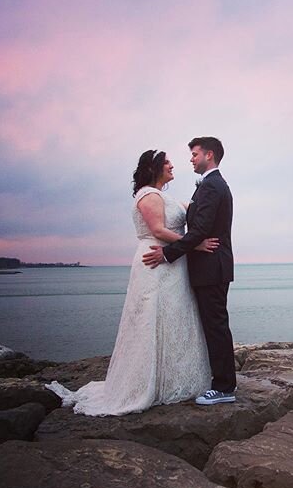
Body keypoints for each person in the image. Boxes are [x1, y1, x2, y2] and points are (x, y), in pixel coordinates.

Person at [45, 150, 215, 416]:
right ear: (154, 168)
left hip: (173, 263)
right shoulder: (149, 195)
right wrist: (195, 245)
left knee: (174, 317)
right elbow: (158, 231)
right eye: (167, 162)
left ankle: (172, 378)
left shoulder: (164, 196)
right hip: (155, 260)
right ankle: (145, 384)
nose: (172, 165)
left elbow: (191, 211)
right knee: (151, 317)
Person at [143, 137, 237, 406]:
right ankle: (220, 382)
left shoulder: (212, 185)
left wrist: (167, 253)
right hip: (210, 266)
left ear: (209, 154)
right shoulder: (210, 185)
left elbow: (200, 229)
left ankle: (224, 387)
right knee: (213, 325)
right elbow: (199, 226)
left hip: (212, 267)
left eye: (195, 154)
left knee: (216, 327)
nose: (191, 159)